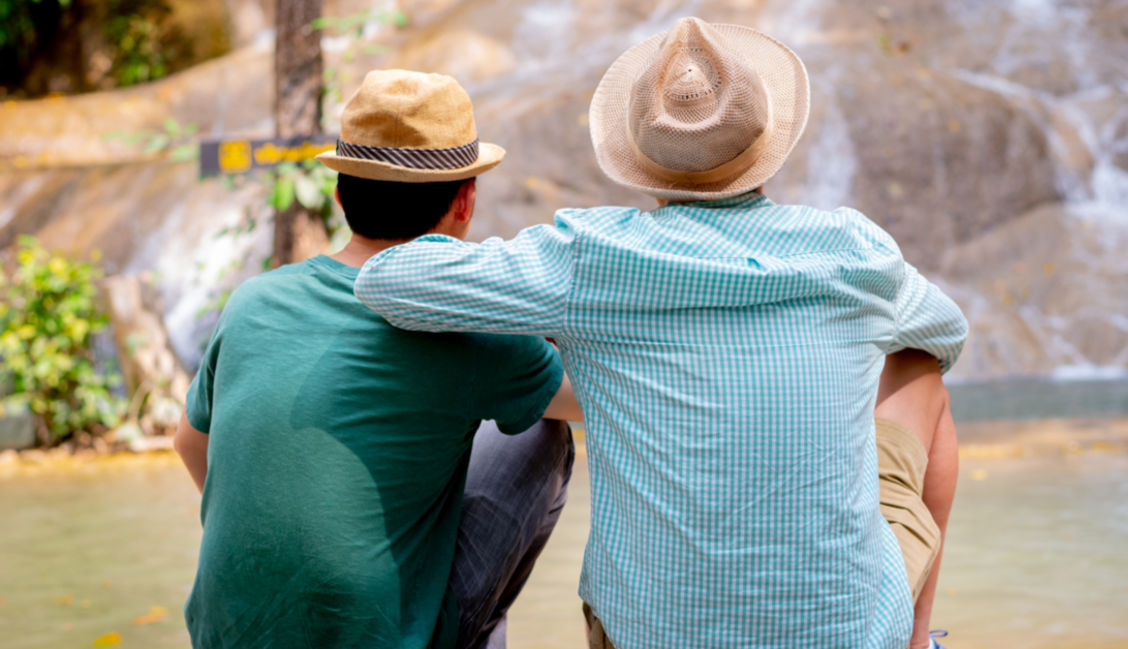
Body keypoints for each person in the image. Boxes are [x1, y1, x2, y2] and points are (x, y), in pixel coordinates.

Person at [354, 18, 968, 649]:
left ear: (642, 155)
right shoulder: (855, 250)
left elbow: (386, 281)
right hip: (850, 635)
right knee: (921, 370)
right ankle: (915, 637)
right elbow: (945, 332)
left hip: (648, 636)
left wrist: (559, 332)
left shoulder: (590, 257)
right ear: (766, 142)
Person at [173, 70, 582, 649]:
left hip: (223, 634)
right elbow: (596, 400)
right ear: (465, 201)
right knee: (541, 428)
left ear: (340, 195)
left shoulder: (251, 300)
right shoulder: (464, 325)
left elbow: (189, 442)